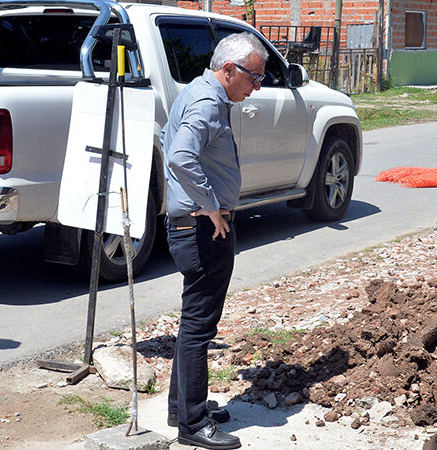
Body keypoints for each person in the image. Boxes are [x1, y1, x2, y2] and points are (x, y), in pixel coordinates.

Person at [161, 32, 268, 450]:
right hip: (203, 226)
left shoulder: (199, 92)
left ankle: (182, 406)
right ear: (228, 70)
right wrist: (209, 204)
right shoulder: (207, 100)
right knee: (199, 325)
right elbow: (180, 155)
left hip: (196, 223)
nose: (256, 86)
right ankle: (192, 424)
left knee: (194, 320)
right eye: (253, 77)